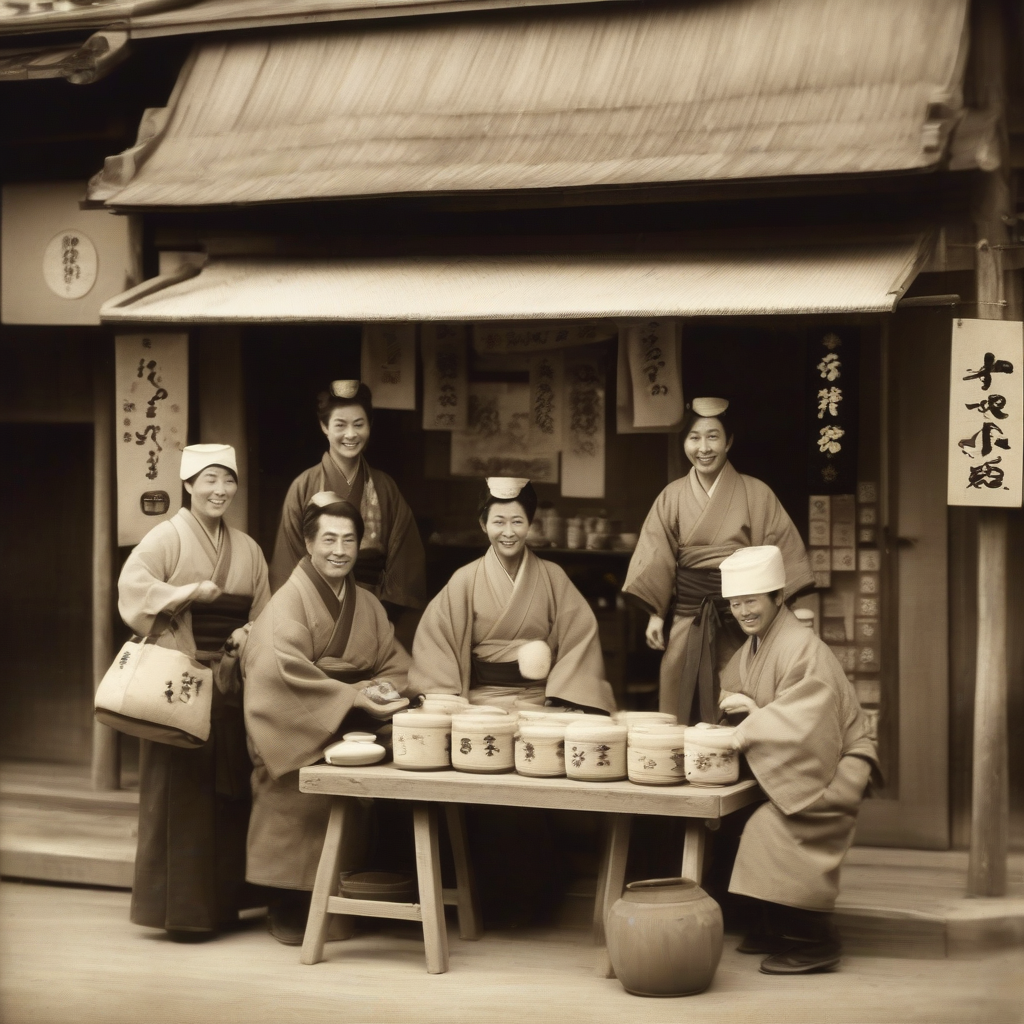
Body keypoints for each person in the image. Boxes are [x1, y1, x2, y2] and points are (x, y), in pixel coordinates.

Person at [117, 443, 270, 939]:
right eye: (209, 480)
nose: (220, 490)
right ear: (187, 484)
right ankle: (178, 912)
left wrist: (249, 633)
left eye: (228, 480)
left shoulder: (248, 548)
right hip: (176, 679)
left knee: (226, 790)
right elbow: (133, 590)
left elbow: (265, 613)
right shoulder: (164, 538)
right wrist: (185, 593)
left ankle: (223, 906)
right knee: (177, 792)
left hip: (228, 679)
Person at [243, 493, 410, 944]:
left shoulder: (369, 606)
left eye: (349, 540)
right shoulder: (287, 604)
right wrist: (351, 696)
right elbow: (275, 671)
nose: (339, 549)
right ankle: (290, 901)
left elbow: (395, 663)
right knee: (299, 797)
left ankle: (357, 894)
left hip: (355, 723)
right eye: (329, 539)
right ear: (308, 543)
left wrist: (380, 691)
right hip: (299, 725)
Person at [716, 545, 879, 975]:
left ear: (777, 597)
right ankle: (772, 926)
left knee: (768, 831)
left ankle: (815, 941)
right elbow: (735, 693)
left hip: (835, 767)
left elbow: (808, 718)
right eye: (735, 603)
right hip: (795, 758)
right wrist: (741, 709)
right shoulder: (754, 646)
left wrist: (752, 724)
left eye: (752, 600)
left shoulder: (802, 646)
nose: (743, 611)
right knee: (727, 821)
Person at [622, 397, 813, 725]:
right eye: (694, 437)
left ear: (729, 442)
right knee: (677, 685)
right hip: (689, 616)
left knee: (745, 694)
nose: (703, 447)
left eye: (713, 436)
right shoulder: (672, 496)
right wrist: (657, 613)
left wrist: (789, 609)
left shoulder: (757, 493)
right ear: (684, 442)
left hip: (743, 617)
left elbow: (781, 550)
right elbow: (657, 554)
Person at [408, 477, 616, 714]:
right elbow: (436, 641)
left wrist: (564, 695)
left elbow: (580, 636)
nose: (508, 532)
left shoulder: (553, 576)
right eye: (499, 522)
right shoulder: (464, 580)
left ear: (530, 525)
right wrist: (445, 698)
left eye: (517, 521)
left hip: (543, 703)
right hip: (480, 705)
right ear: (483, 525)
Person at [268, 380, 426, 649]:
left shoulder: (385, 488)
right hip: (313, 611)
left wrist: (381, 616)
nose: (350, 434)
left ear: (370, 425)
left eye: (359, 424)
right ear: (324, 427)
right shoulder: (303, 486)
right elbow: (288, 561)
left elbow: (405, 562)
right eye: (340, 425)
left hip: (374, 612)